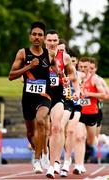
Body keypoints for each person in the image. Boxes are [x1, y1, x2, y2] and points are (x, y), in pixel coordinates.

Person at [8, 21, 51, 173]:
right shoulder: (23, 53)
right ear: (30, 37)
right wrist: (28, 67)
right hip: (28, 98)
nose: (37, 37)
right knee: (31, 133)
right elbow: (11, 76)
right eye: (34, 34)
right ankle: (42, 151)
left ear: (44, 38)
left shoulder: (48, 54)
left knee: (41, 121)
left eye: (40, 35)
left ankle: (38, 160)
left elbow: (59, 71)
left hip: (44, 96)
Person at [45, 33, 80, 178]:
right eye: (50, 40)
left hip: (64, 98)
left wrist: (65, 79)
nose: (53, 44)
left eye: (55, 41)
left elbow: (74, 77)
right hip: (42, 95)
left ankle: (57, 162)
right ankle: (43, 156)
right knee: (45, 129)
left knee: (59, 127)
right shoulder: (38, 55)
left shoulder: (64, 58)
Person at [73, 57, 105, 174]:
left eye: (85, 67)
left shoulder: (95, 80)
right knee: (79, 137)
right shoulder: (74, 78)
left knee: (91, 142)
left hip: (92, 114)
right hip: (79, 112)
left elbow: (103, 96)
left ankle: (102, 138)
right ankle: (79, 165)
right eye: (80, 67)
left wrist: (89, 94)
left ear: (89, 68)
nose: (82, 69)